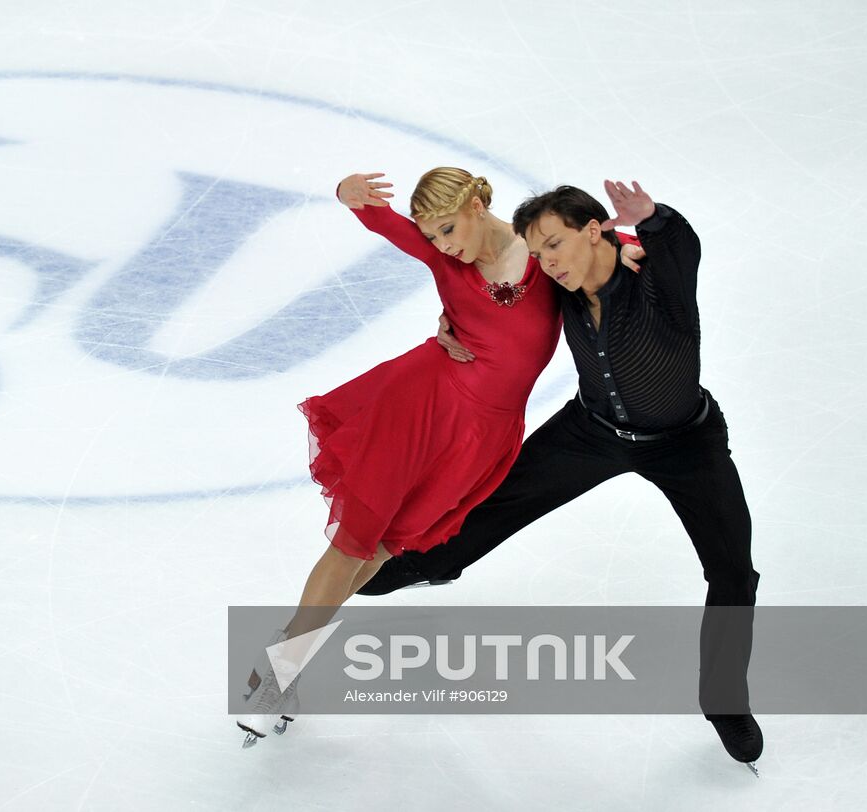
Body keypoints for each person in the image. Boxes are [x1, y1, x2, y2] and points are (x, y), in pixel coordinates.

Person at [357, 182, 764, 770]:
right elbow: (488, 290)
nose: (547, 262)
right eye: (538, 252)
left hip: (685, 444)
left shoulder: (656, 277)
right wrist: (453, 323)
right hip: (591, 430)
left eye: (555, 245)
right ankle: (430, 562)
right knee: (495, 498)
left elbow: (680, 246)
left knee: (733, 571)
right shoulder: (553, 280)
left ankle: (725, 700)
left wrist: (651, 221)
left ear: (593, 230)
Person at [237, 169, 643, 746]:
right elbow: (389, 225)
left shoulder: (539, 257)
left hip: (480, 437)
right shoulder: (445, 262)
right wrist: (347, 195)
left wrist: (628, 243)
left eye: (449, 229)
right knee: (353, 538)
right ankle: (274, 673)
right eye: (434, 237)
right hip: (423, 405)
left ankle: (287, 657)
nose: (444, 245)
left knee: (382, 547)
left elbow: (582, 243)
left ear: (479, 205)